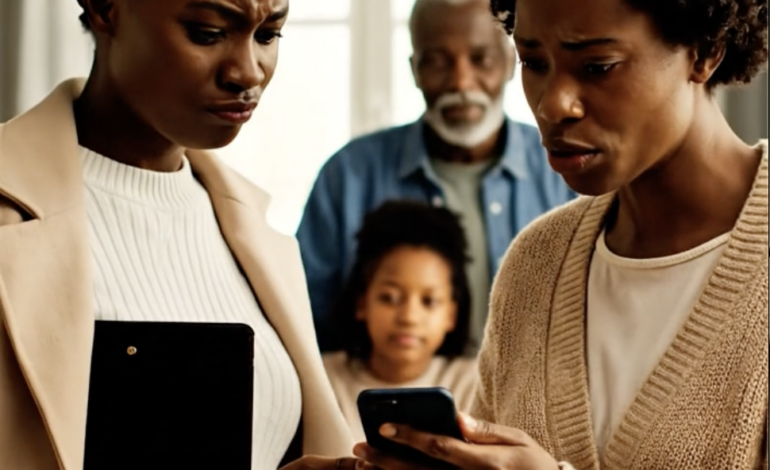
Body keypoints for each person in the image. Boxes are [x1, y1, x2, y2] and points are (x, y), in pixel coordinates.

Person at [352, 0, 769, 468]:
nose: (552, 104)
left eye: (597, 66)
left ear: (704, 52)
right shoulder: (534, 264)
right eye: (533, 62)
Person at [0, 1, 360, 469]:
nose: (247, 73)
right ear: (106, 8)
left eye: (268, 35)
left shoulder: (261, 236)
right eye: (208, 33)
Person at [297, 0, 575, 353]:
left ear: (509, 64)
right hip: (385, 400)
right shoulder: (349, 175)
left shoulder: (565, 169)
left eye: (480, 59)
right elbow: (304, 322)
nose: (460, 82)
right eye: (438, 61)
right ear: (415, 70)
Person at [322, 201, 478, 442]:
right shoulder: (321, 380)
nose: (408, 317)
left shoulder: (475, 385)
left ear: (451, 315)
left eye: (429, 301)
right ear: (362, 304)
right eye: (390, 298)